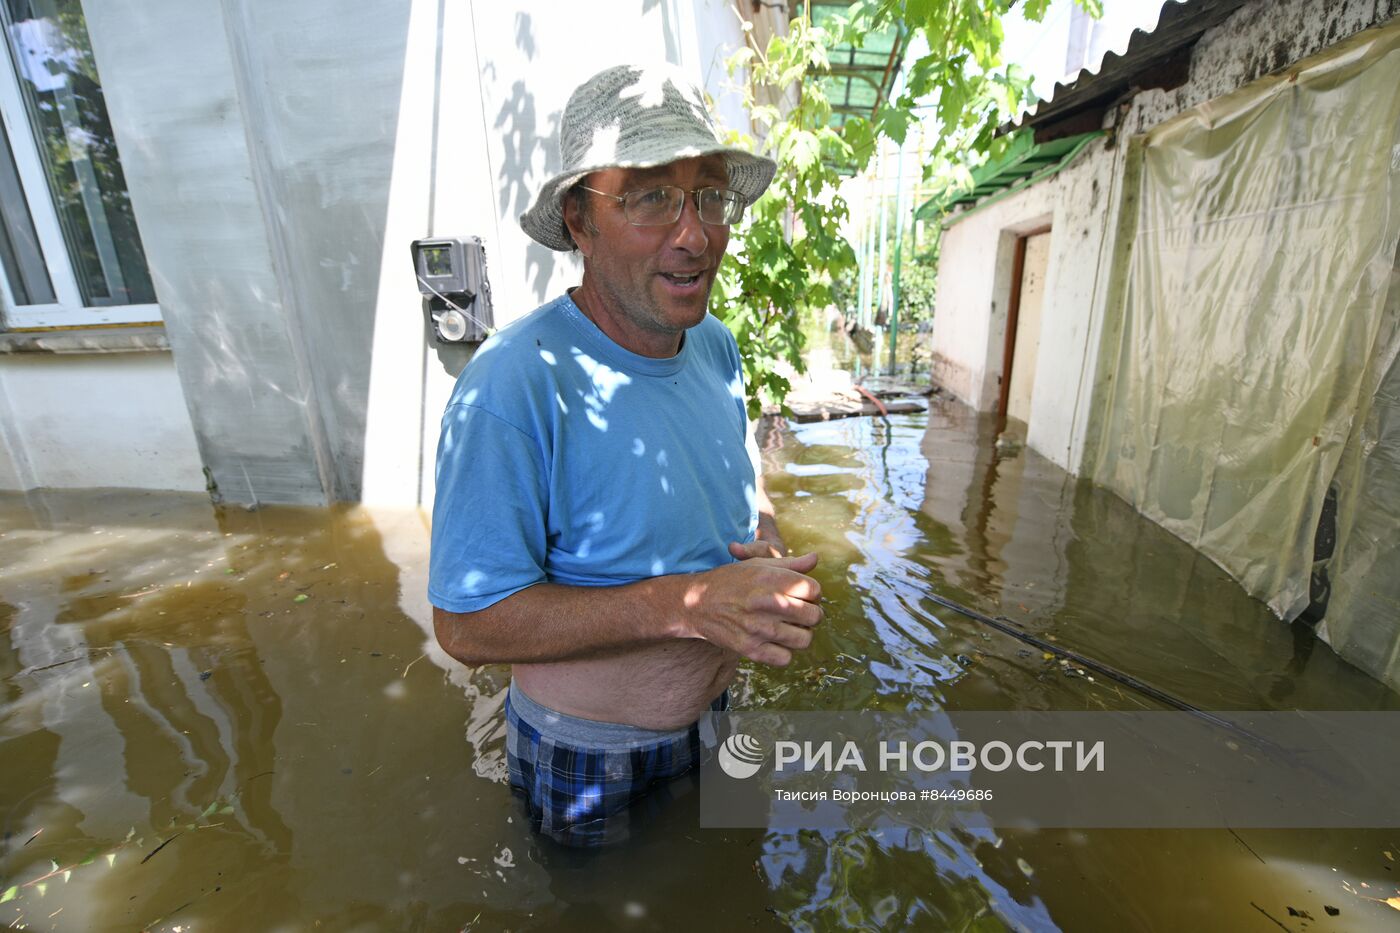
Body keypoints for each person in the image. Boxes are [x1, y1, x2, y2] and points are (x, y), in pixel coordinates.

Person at [428, 63, 823, 844]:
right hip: (586, 754)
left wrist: (766, 542)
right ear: (579, 220)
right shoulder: (512, 386)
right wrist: (689, 605)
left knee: (723, 884)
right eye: (649, 197)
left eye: (708, 195)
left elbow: (744, 482)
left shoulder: (716, 348)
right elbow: (466, 625)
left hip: (715, 722)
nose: (694, 233)